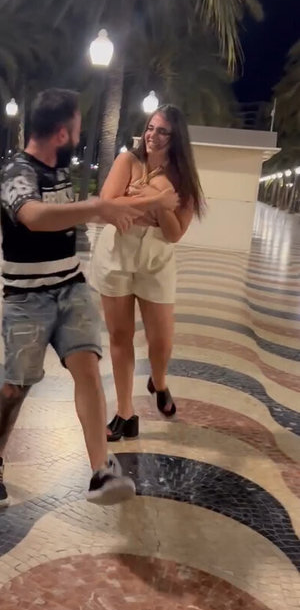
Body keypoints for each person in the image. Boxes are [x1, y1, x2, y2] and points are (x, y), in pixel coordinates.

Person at [0, 89, 176, 507]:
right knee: (16, 386)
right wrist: (97, 208)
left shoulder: (60, 171)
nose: (80, 137)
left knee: (87, 369)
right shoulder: (17, 171)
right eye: (77, 129)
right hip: (26, 298)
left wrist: (115, 209)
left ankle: (101, 471)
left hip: (70, 287)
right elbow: (32, 216)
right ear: (61, 133)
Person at [89, 104, 204, 441]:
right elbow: (107, 205)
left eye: (162, 131)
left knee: (161, 340)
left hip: (156, 259)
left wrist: (146, 201)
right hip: (117, 252)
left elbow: (174, 233)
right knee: (120, 337)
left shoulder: (184, 179)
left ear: (176, 137)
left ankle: (159, 381)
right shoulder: (127, 161)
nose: (152, 135)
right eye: (151, 128)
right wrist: (157, 201)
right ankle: (125, 414)